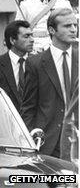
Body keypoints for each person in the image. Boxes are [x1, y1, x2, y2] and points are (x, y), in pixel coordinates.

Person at [20, 8, 78, 158]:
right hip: (49, 145)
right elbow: (28, 108)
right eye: (67, 26)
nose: (73, 30)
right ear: (52, 30)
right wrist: (31, 142)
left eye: (75, 25)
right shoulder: (36, 64)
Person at [0, 20, 34, 113]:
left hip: (32, 125)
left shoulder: (38, 63)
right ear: (12, 40)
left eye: (31, 35)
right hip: (4, 123)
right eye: (26, 36)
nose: (32, 40)